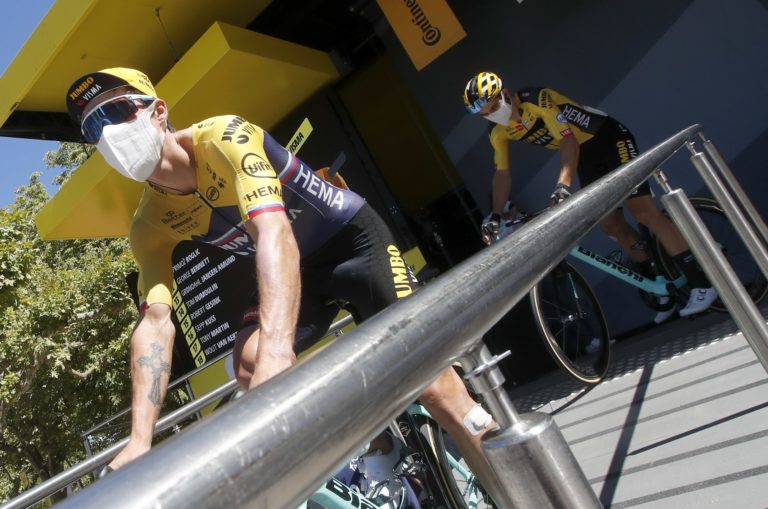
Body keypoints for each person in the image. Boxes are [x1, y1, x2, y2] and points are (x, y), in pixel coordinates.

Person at [65, 68, 504, 497]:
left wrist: (278, 353)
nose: (108, 134)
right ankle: (373, 437)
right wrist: (140, 439)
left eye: (117, 111)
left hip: (353, 243)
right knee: (247, 362)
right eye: (93, 128)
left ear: (158, 111)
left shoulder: (222, 137)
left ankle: (513, 483)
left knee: (437, 390)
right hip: (297, 270)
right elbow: (156, 322)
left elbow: (274, 231)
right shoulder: (148, 224)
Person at [463, 71, 717, 320]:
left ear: (506, 94)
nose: (493, 114)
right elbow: (502, 173)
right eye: (485, 113)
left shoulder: (536, 99)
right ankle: (659, 280)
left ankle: (703, 282)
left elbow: (568, 140)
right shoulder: (498, 132)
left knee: (643, 212)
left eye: (494, 106)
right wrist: (495, 214)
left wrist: (563, 185)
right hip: (586, 157)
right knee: (611, 225)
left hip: (610, 139)